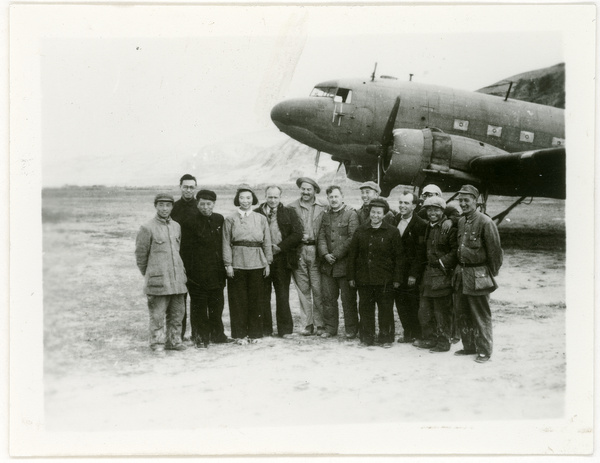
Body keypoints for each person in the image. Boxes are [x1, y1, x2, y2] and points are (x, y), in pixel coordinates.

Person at [453, 184, 503, 363]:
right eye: (460, 200)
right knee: (462, 312)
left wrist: (489, 274)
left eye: (467, 200)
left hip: (478, 274)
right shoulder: (461, 221)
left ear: (476, 201)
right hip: (461, 273)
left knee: (480, 314)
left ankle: (484, 351)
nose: (463, 204)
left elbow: (495, 253)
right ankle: (469, 347)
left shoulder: (485, 222)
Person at [135, 193, 187, 352]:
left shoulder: (176, 226)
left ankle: (174, 341)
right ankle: (157, 343)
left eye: (168, 205)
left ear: (172, 207)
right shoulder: (147, 227)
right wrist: (152, 273)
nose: (165, 208)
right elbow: (141, 256)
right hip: (158, 280)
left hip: (177, 280)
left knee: (178, 314)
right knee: (157, 316)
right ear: (156, 206)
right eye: (161, 205)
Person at [179, 189, 231, 348]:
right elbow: (185, 250)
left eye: (209, 204)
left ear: (214, 204)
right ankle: (200, 337)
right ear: (197, 204)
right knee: (199, 306)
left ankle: (217, 335)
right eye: (202, 204)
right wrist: (190, 271)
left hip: (216, 271)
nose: (206, 207)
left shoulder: (219, 219)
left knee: (217, 305)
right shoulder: (189, 221)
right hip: (197, 272)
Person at [348, 198, 401, 348]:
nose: (375, 215)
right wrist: (351, 276)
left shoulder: (392, 232)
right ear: (369, 212)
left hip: (385, 280)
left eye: (379, 213)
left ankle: (386, 338)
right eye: (373, 212)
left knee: (385, 309)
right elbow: (353, 255)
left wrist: (397, 278)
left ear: (384, 214)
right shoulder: (360, 231)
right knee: (365, 309)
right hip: (364, 279)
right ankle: (367, 337)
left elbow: (399, 257)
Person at [223, 185, 273, 344]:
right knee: (238, 301)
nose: (245, 201)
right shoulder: (230, 219)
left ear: (253, 200)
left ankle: (255, 334)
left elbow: (267, 242)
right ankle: (239, 335)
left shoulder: (261, 219)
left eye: (248, 198)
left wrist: (267, 263)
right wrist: (228, 264)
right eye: (242, 198)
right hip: (237, 263)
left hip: (257, 263)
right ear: (237, 200)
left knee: (256, 300)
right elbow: (225, 243)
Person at [255, 185, 303, 337]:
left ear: (280, 197)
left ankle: (285, 330)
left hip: (282, 259)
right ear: (265, 196)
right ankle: (265, 329)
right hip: (261, 259)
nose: (273, 200)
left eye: (276, 197)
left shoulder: (289, 212)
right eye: (270, 197)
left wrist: (280, 247)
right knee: (263, 295)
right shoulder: (256, 213)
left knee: (282, 295)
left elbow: (297, 234)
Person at [317, 185, 359, 339]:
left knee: (348, 300)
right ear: (327, 198)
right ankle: (330, 328)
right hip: (327, 266)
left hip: (344, 266)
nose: (333, 200)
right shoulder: (325, 214)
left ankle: (351, 329)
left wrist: (335, 254)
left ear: (342, 197)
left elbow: (352, 237)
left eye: (336, 196)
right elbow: (321, 236)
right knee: (328, 299)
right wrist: (325, 254)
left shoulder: (351, 214)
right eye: (331, 197)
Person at [418, 196, 458, 353]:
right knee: (425, 310)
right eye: (429, 210)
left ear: (442, 211)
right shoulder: (428, 226)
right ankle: (430, 339)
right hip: (428, 276)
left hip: (442, 276)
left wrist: (442, 262)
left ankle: (443, 342)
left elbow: (455, 251)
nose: (432, 213)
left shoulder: (449, 228)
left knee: (441, 311)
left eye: (436, 210)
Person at [288, 177, 327, 336]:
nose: (305, 192)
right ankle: (307, 324)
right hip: (299, 252)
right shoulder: (291, 207)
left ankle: (320, 324)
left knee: (318, 289)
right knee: (303, 290)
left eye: (308, 189)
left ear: (314, 191)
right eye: (303, 189)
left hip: (316, 251)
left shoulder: (324, 206)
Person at [393, 190, 427, 344]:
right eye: (400, 202)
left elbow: (420, 253)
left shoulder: (420, 224)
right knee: (400, 302)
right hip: (396, 271)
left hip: (411, 272)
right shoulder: (394, 220)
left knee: (414, 304)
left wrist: (413, 274)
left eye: (406, 203)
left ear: (414, 205)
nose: (402, 206)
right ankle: (408, 333)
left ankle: (418, 334)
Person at [171, 173, 199, 342]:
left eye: (191, 187)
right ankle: (178, 335)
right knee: (178, 299)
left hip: (197, 260)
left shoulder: (201, 206)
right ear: (180, 187)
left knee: (196, 298)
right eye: (185, 187)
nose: (188, 190)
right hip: (178, 259)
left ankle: (197, 333)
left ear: (195, 188)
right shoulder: (173, 208)